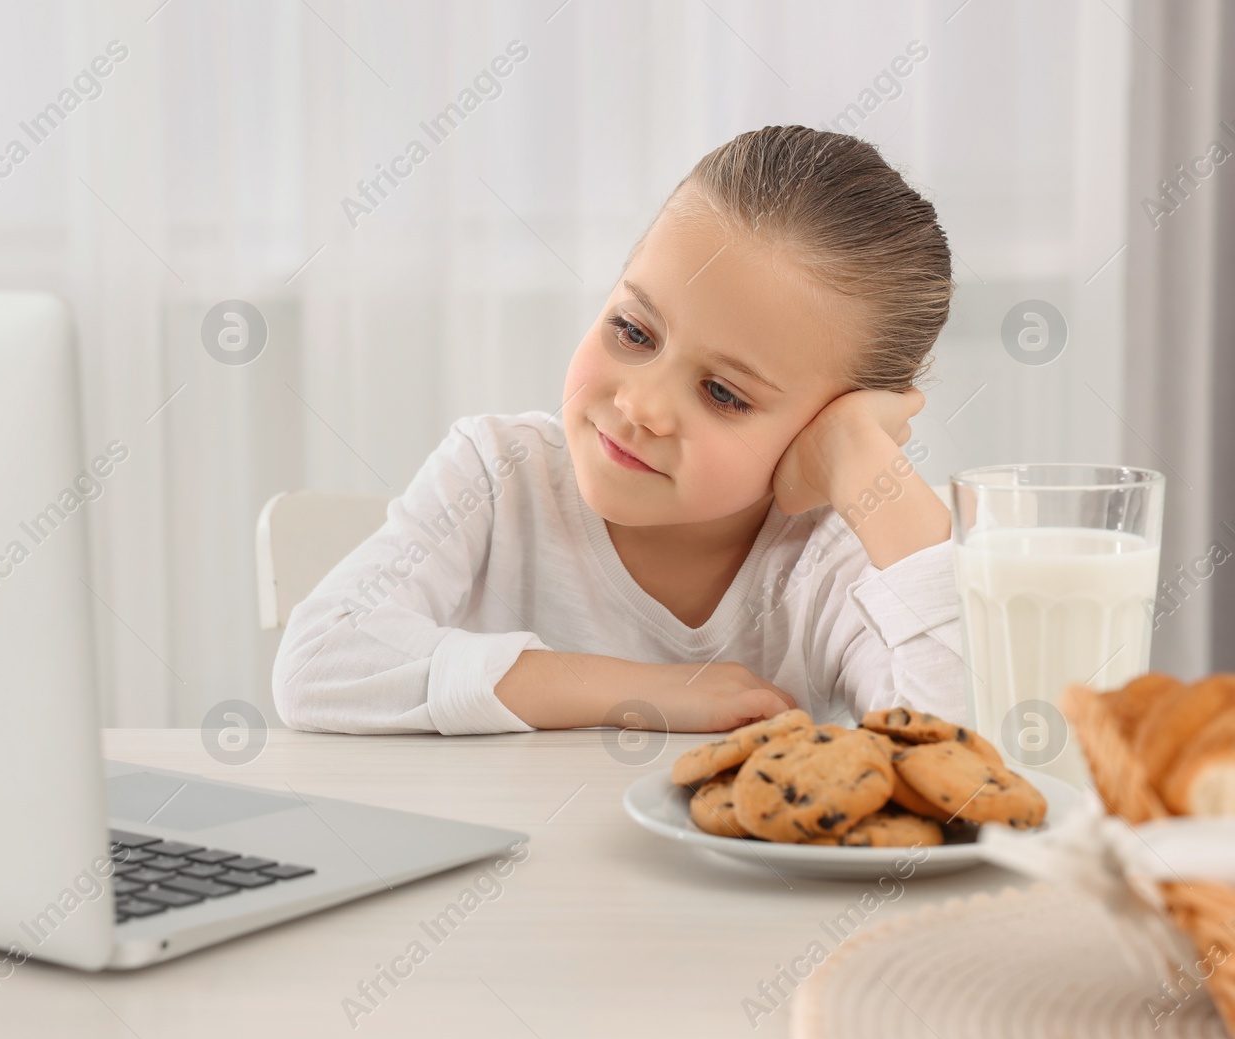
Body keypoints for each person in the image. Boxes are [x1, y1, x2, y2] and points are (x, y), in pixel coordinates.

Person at [273, 124, 962, 736]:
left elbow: (965, 766)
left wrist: (866, 466)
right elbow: (317, 661)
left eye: (723, 393)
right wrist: (650, 692)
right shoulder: (498, 474)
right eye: (634, 330)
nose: (641, 406)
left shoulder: (830, 562)